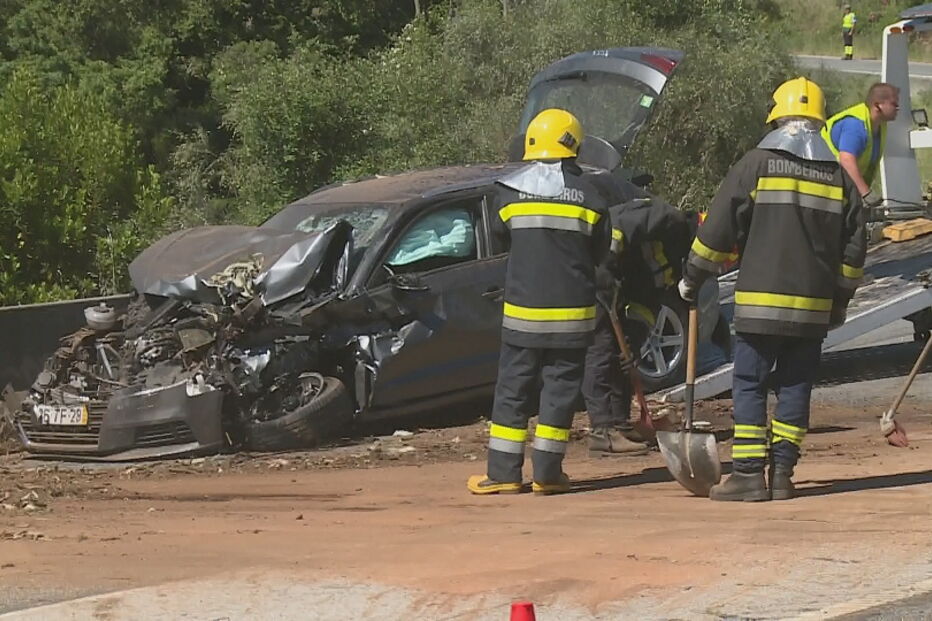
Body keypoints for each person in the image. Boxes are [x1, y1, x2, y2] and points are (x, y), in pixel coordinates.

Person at [678, 77, 866, 501]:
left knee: (749, 383)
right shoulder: (839, 178)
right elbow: (854, 253)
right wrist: (839, 303)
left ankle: (747, 475)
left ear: (778, 117)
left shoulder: (756, 164)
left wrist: (693, 276)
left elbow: (719, 229)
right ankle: (782, 474)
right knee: (796, 386)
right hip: (813, 309)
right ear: (820, 121)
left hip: (761, 305)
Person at [467, 108, 610, 495]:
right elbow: (601, 255)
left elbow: (498, 236)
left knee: (513, 390)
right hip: (572, 319)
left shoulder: (508, 191)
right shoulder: (591, 195)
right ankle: (548, 474)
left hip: (522, 316)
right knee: (560, 393)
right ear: (574, 145)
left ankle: (502, 474)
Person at [583, 193, 693, 455]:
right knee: (601, 352)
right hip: (595, 278)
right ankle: (602, 431)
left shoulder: (676, 249)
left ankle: (619, 424)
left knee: (626, 353)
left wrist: (637, 329)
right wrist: (606, 270)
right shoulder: (668, 219)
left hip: (623, 288)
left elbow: (653, 279)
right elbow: (618, 229)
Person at [822, 82, 900, 209]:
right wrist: (865, 193)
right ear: (877, 105)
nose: (898, 108)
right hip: (827, 188)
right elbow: (846, 160)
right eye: (894, 104)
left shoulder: (879, 125)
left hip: (843, 191)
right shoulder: (856, 125)